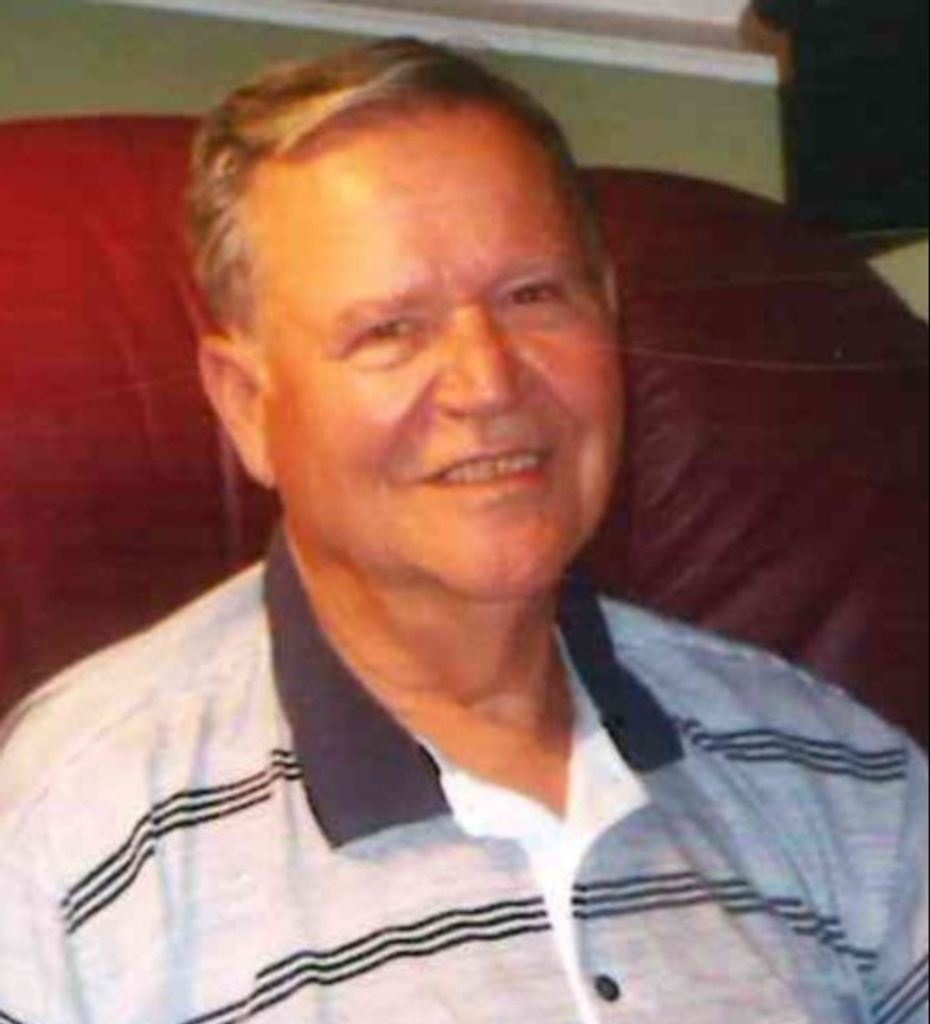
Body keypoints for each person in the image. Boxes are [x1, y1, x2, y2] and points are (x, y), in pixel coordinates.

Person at [0, 37, 926, 1024]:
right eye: (390, 329)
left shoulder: (844, 779)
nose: (488, 384)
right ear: (245, 404)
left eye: (533, 297)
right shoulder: (67, 844)